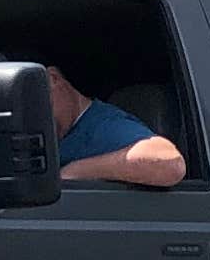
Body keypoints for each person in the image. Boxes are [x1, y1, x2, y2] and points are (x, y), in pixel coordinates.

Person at [37, 63, 187, 189]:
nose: (25, 110)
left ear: (52, 79)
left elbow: (170, 164)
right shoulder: (48, 136)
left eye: (29, 98)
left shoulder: (102, 126)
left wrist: (74, 172)